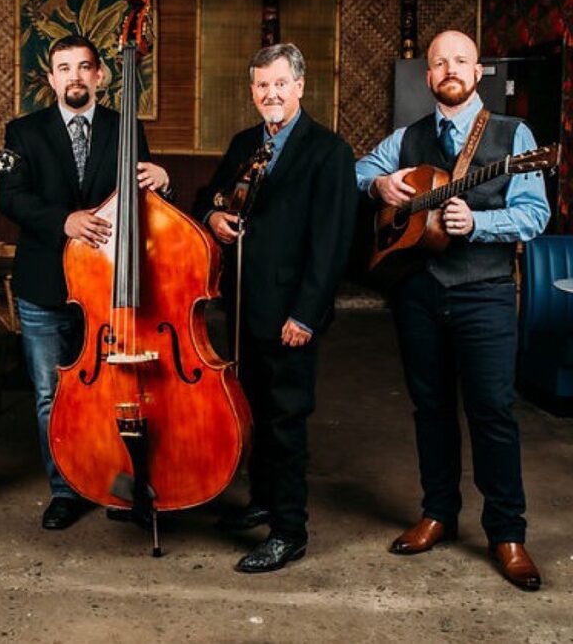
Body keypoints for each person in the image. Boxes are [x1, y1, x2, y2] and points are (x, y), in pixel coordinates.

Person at [355, 30, 550, 591]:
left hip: (484, 292)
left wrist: (479, 223)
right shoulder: (409, 136)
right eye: (439, 62)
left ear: (478, 70)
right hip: (418, 292)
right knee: (431, 408)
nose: (450, 69)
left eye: (460, 60)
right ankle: (438, 512)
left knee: (492, 412)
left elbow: (535, 213)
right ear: (428, 76)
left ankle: (507, 533)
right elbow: (358, 169)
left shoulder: (515, 136)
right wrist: (382, 185)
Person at [193, 43, 356, 573]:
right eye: (262, 85)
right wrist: (214, 217)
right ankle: (261, 501)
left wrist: (306, 314)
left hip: (290, 314)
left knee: (286, 421)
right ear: (252, 91)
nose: (271, 93)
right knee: (254, 412)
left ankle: (289, 532)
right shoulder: (245, 143)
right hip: (244, 306)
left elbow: (333, 243)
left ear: (301, 86)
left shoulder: (329, 151)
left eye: (281, 83)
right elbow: (208, 198)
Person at [0, 35, 170, 531]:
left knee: (113, 389)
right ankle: (65, 489)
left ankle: (116, 482)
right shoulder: (24, 131)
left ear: (99, 75)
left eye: (83, 67)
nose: (74, 76)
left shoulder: (125, 126)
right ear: (51, 79)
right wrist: (63, 221)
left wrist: (164, 180)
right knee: (51, 395)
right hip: (46, 284)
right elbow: (11, 198)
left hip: (109, 286)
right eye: (63, 68)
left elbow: (145, 203)